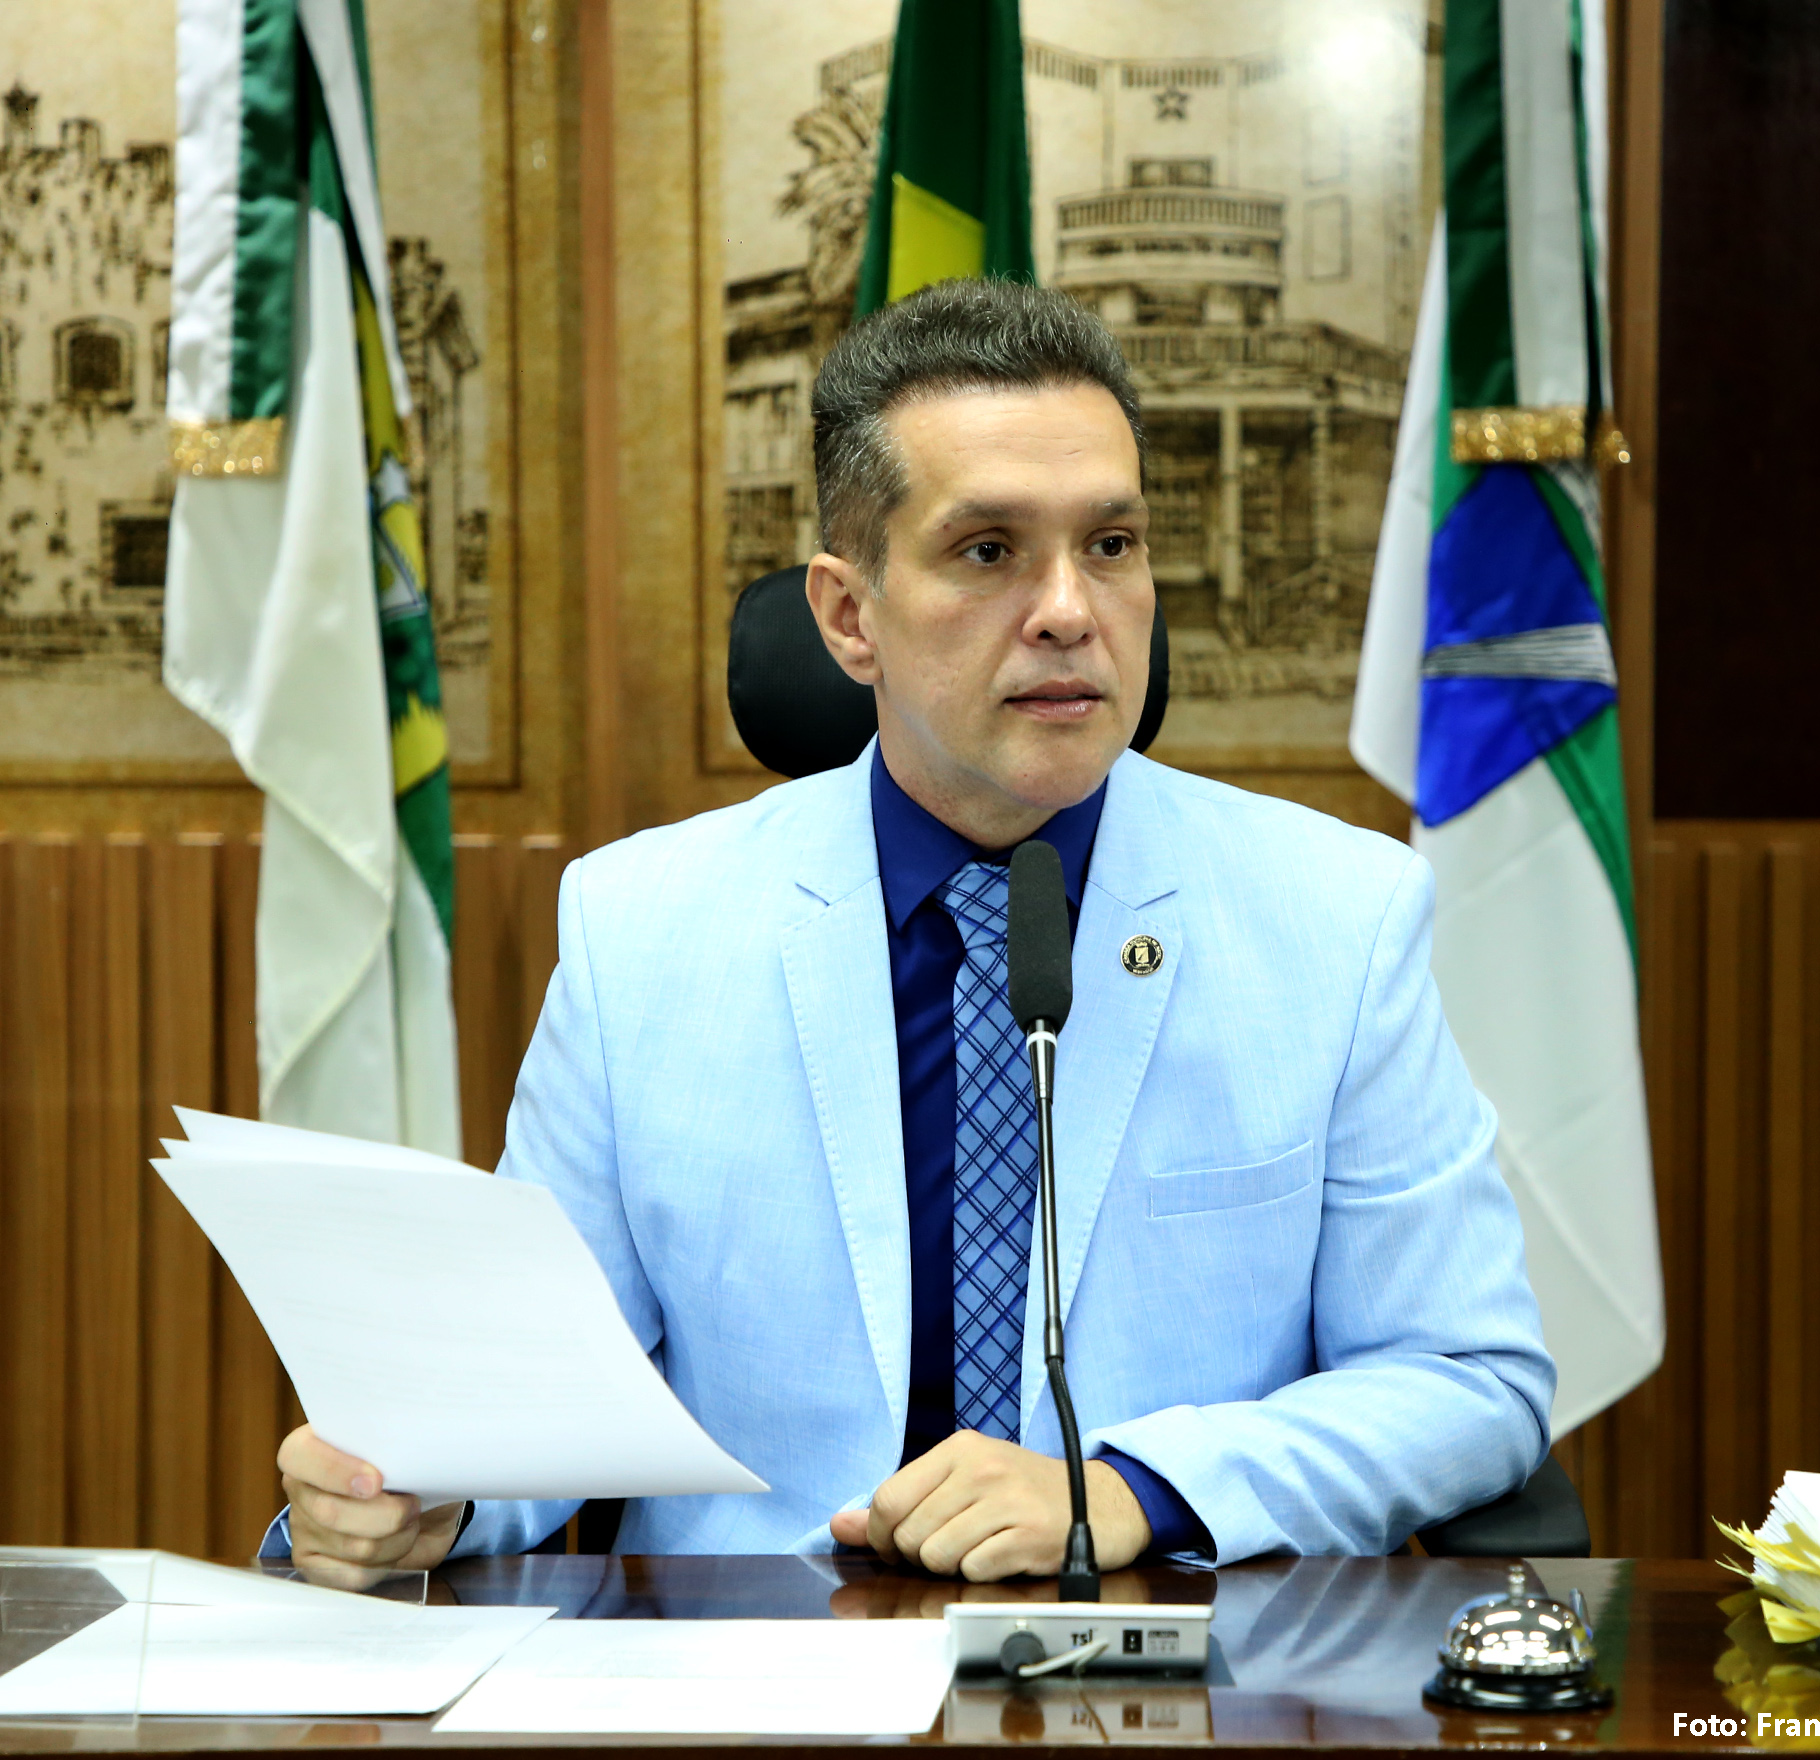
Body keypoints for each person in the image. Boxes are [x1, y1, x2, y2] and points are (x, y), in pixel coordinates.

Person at [269, 280, 1554, 1589]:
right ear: (848, 616)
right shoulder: (641, 930)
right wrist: (425, 1497)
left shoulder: (1335, 917)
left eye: (1112, 544)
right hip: (755, 1666)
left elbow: (1471, 1376)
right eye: (989, 551)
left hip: (1175, 1661)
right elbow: (541, 1390)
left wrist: (1134, 1490)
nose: (1070, 609)